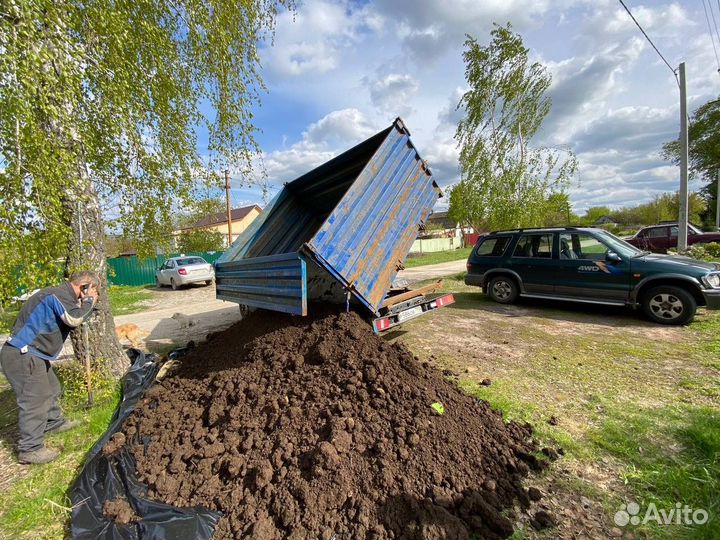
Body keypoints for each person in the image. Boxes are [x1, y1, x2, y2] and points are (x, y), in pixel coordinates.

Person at [0, 271, 99, 464]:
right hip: (23, 354)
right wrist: (88, 302)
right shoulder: (57, 295)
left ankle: (53, 422)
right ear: (85, 287)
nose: (93, 295)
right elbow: (73, 319)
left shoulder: (62, 295)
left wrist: (87, 307)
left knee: (52, 387)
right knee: (35, 399)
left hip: (33, 353)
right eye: (93, 290)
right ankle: (30, 448)